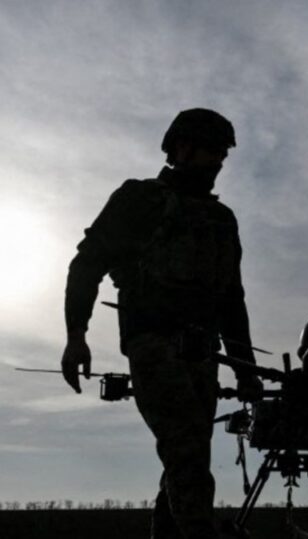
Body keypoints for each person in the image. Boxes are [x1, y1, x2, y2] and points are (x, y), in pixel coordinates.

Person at [62, 108, 263, 539]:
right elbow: (87, 264)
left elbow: (232, 299)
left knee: (186, 455)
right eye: (211, 150)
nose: (218, 161)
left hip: (203, 354)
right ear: (181, 148)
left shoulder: (221, 219)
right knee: (186, 451)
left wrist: (245, 370)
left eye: (223, 153)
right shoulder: (139, 199)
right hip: (153, 344)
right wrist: (76, 335)